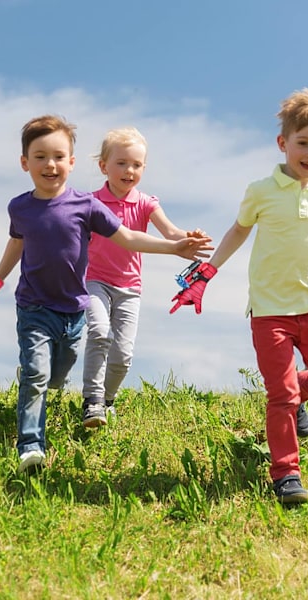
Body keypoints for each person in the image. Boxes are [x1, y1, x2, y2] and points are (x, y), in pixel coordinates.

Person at [0, 115, 212, 474]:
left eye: (59, 156)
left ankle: (56, 382)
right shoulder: (20, 207)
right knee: (37, 376)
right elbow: (16, 242)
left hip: (73, 310)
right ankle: (31, 445)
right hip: (33, 305)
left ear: (72, 163)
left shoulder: (87, 206)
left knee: (57, 375)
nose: (50, 164)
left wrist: (175, 248)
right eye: (40, 156)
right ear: (24, 162)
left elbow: (128, 237)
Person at [169, 89, 308, 504]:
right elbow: (239, 230)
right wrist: (207, 273)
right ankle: (286, 475)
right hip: (269, 314)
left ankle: (295, 396)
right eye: (304, 143)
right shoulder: (261, 190)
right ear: (284, 143)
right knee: (280, 396)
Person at [81, 127, 210, 427]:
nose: (129, 171)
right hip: (93, 281)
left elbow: (171, 232)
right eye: (122, 163)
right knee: (99, 333)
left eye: (137, 165)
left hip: (129, 288)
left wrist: (188, 237)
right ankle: (92, 400)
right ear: (104, 166)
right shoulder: (90, 203)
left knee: (123, 354)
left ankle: (108, 399)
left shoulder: (146, 203)